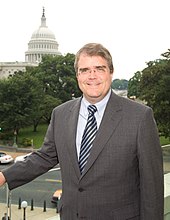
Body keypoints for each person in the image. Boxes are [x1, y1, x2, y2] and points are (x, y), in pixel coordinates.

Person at [0, 43, 164, 220]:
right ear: (77, 75)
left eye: (99, 68)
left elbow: (152, 186)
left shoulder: (140, 117)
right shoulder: (61, 114)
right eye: (85, 70)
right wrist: (4, 176)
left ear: (111, 72)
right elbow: (45, 157)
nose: (92, 76)